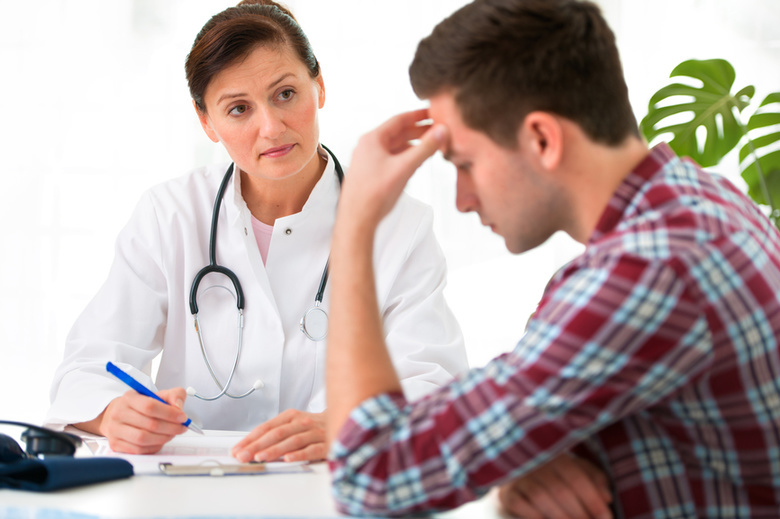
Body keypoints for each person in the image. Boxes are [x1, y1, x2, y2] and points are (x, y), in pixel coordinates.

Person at [324, 0, 780, 517]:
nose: (462, 199)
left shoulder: (648, 271)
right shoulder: (699, 199)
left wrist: (356, 224)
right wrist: (522, 453)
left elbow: (371, 476)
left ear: (542, 138)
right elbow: (516, 387)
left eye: (466, 163)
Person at [44, 0, 468, 462]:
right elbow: (87, 367)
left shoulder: (399, 226)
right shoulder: (170, 214)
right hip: (190, 489)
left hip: (327, 488)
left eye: (285, 94)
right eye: (239, 109)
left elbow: (434, 383)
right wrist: (113, 414)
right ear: (206, 122)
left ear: (318, 85)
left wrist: (349, 425)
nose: (271, 127)